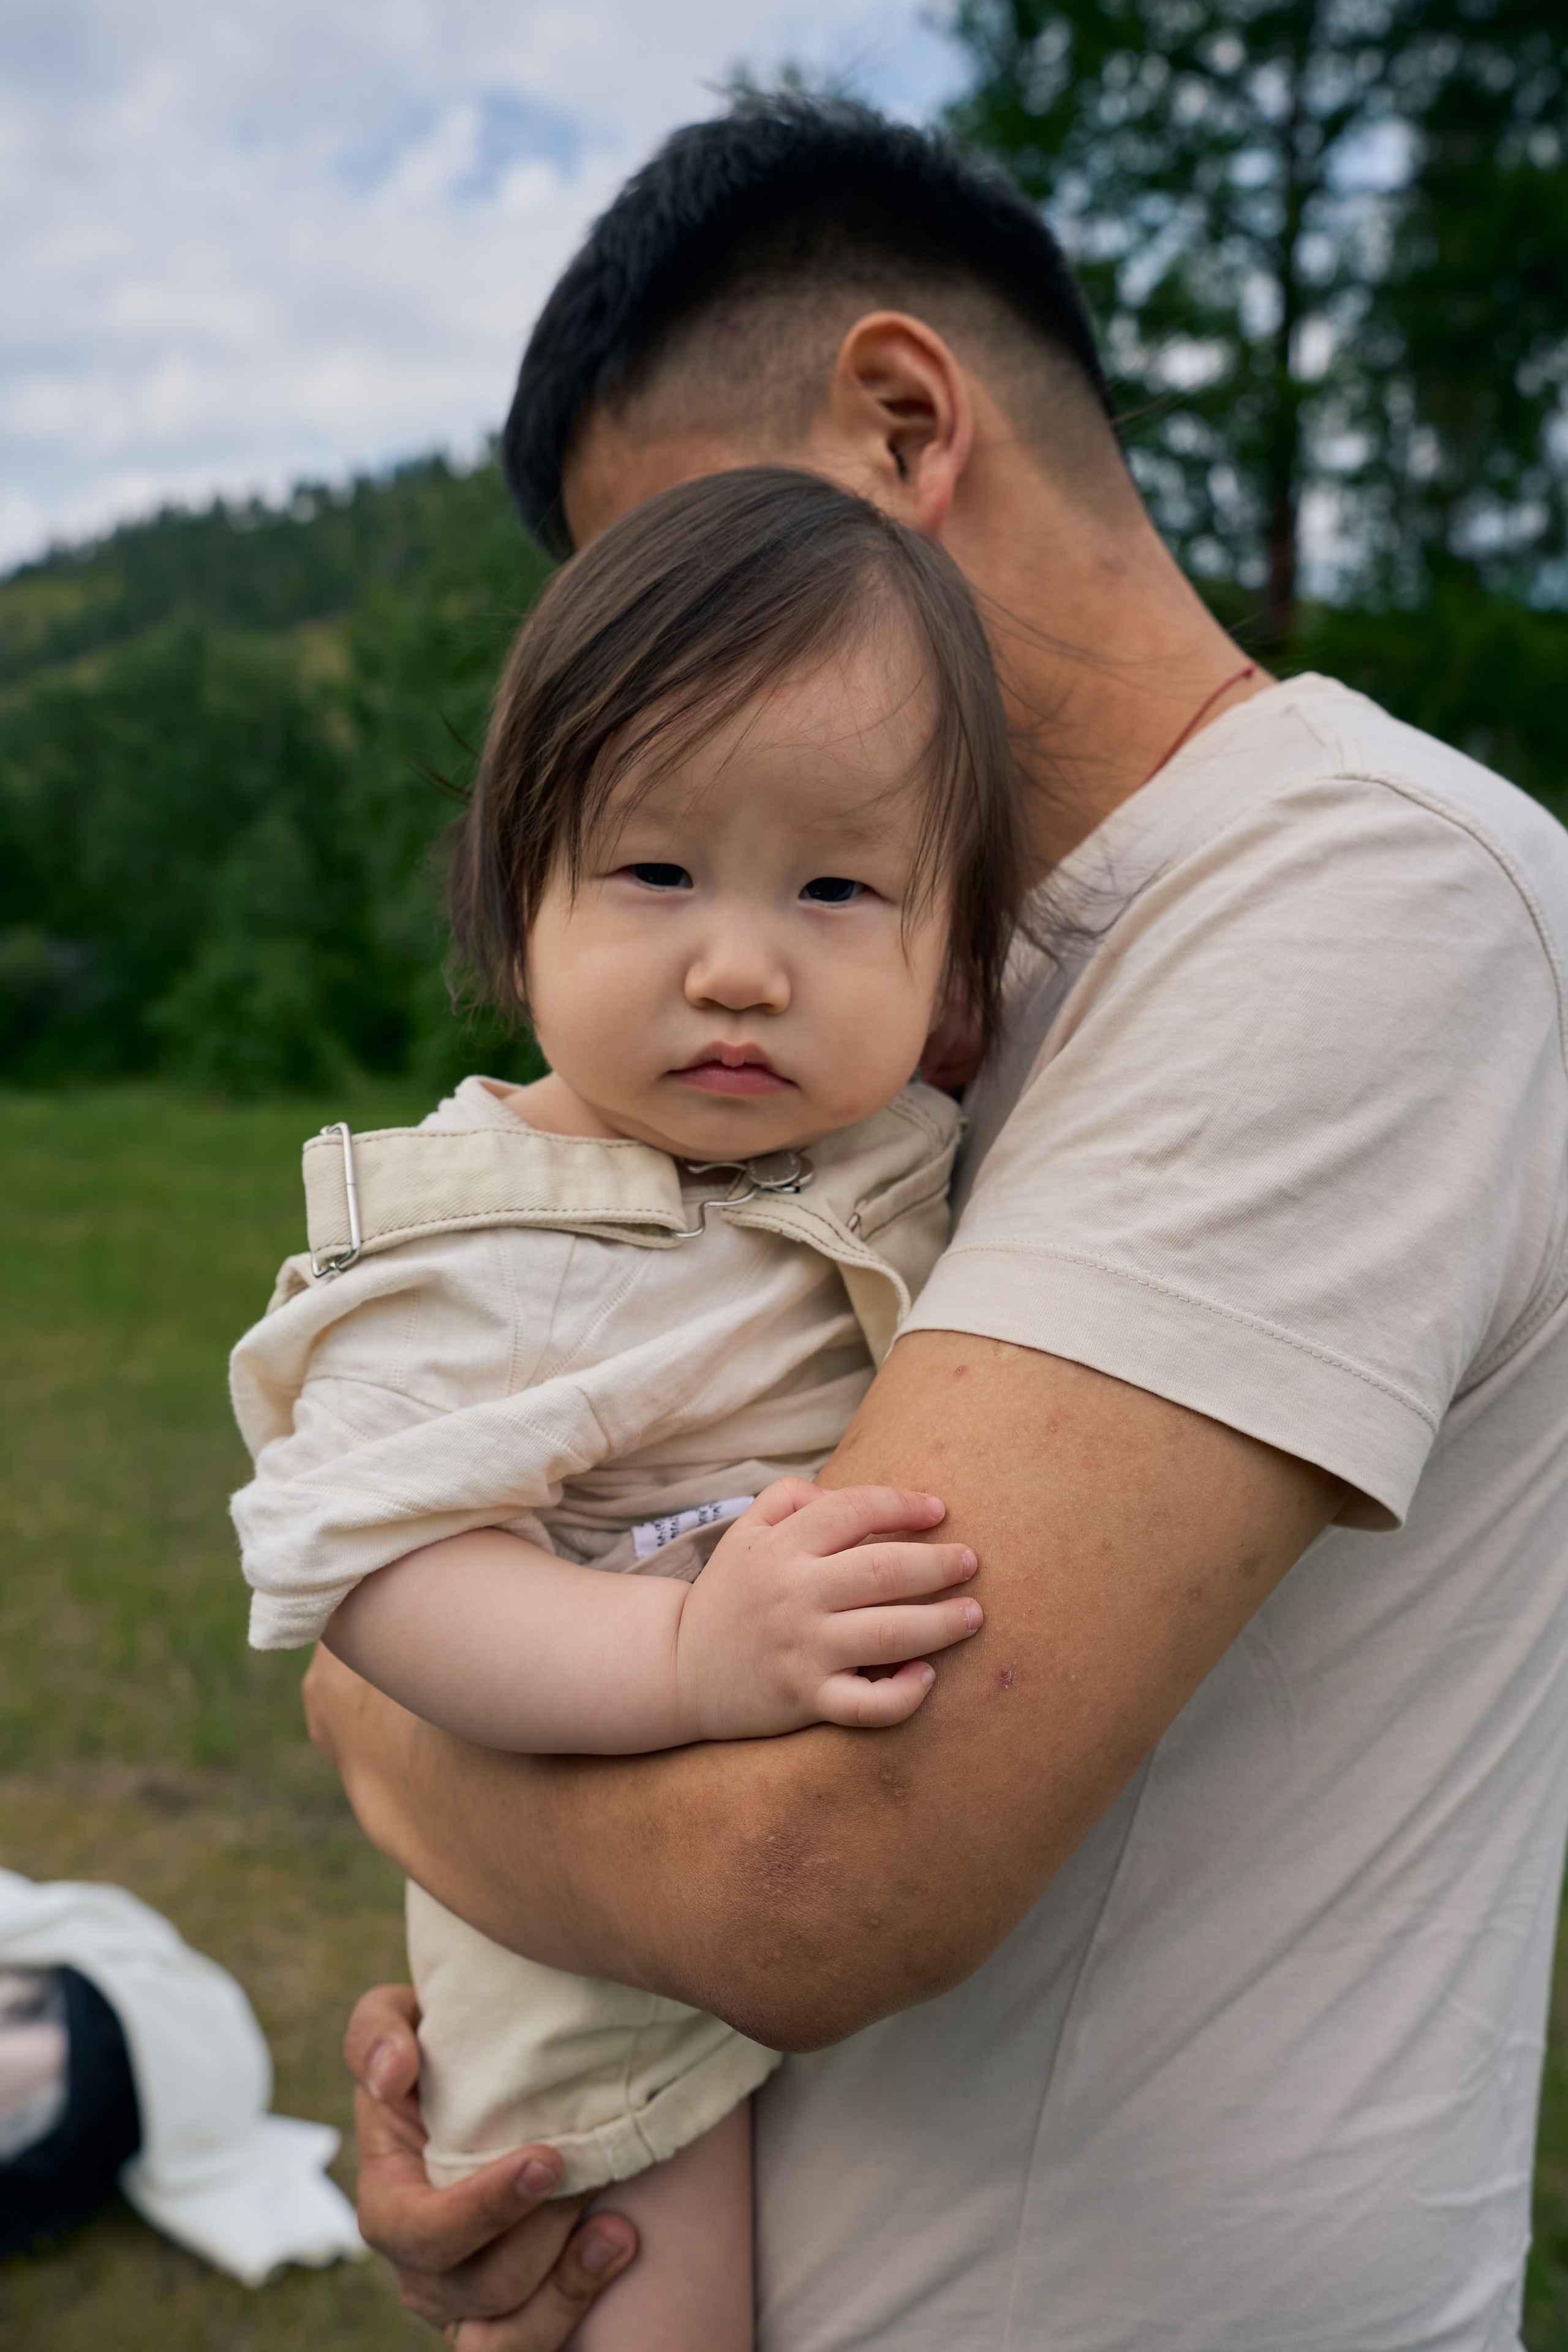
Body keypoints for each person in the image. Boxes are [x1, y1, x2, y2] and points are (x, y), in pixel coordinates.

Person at [304, 95, 1568, 2351]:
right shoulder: (869, 1044)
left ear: (901, 425)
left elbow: (810, 1878)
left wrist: (373, 1725)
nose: (656, 684)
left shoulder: (1362, 895)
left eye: (695, 566)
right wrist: (548, 2090)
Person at [230, 464, 1035, 2348]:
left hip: (873, 1950)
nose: (741, 967)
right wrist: (686, 1661)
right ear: (522, 904)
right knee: (639, 2303)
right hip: (577, 1951)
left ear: (950, 964)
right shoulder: (486, 1231)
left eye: (839, 890)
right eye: (658, 873)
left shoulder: (893, 1141)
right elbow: (376, 1577)